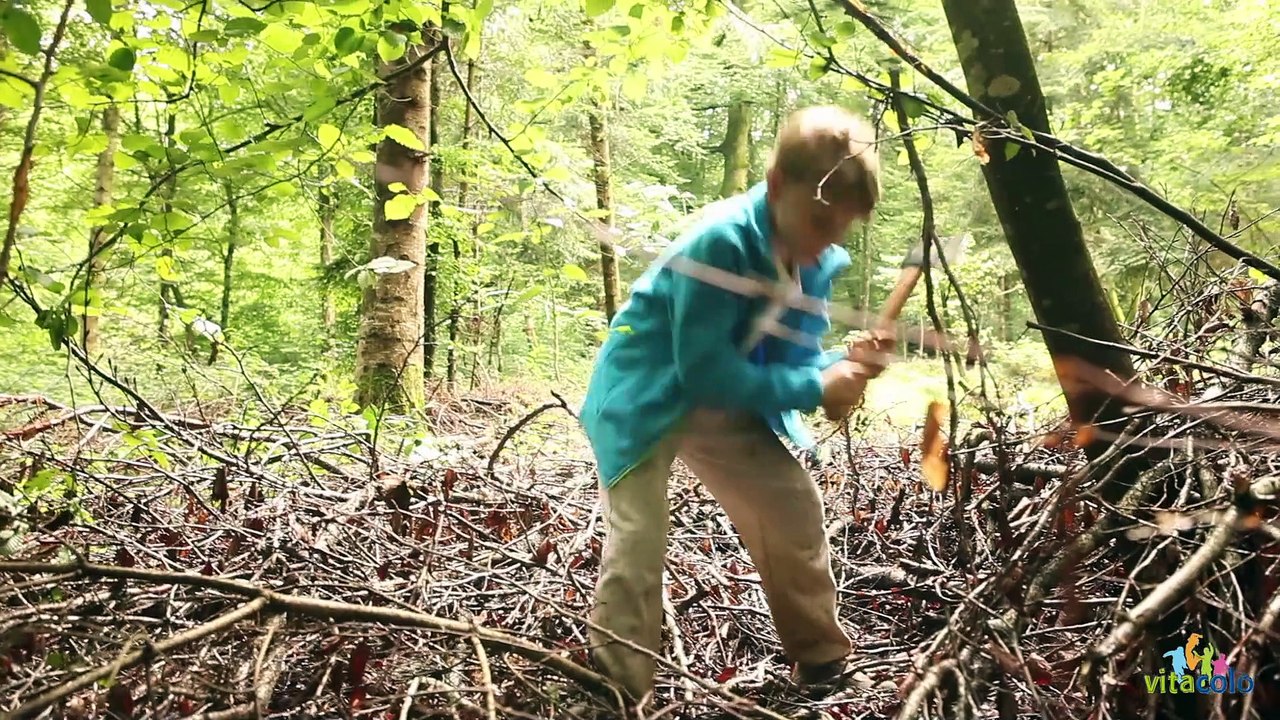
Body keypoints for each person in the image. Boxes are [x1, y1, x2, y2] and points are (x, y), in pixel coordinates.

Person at [577, 105, 892, 702]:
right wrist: (816, 387)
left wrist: (841, 366)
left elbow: (787, 360)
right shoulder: (719, 243)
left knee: (789, 506)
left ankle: (821, 660)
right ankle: (618, 691)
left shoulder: (815, 259)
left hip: (718, 399)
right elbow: (706, 373)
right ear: (776, 185)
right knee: (639, 539)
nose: (826, 241)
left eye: (841, 228)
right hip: (644, 398)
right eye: (818, 220)